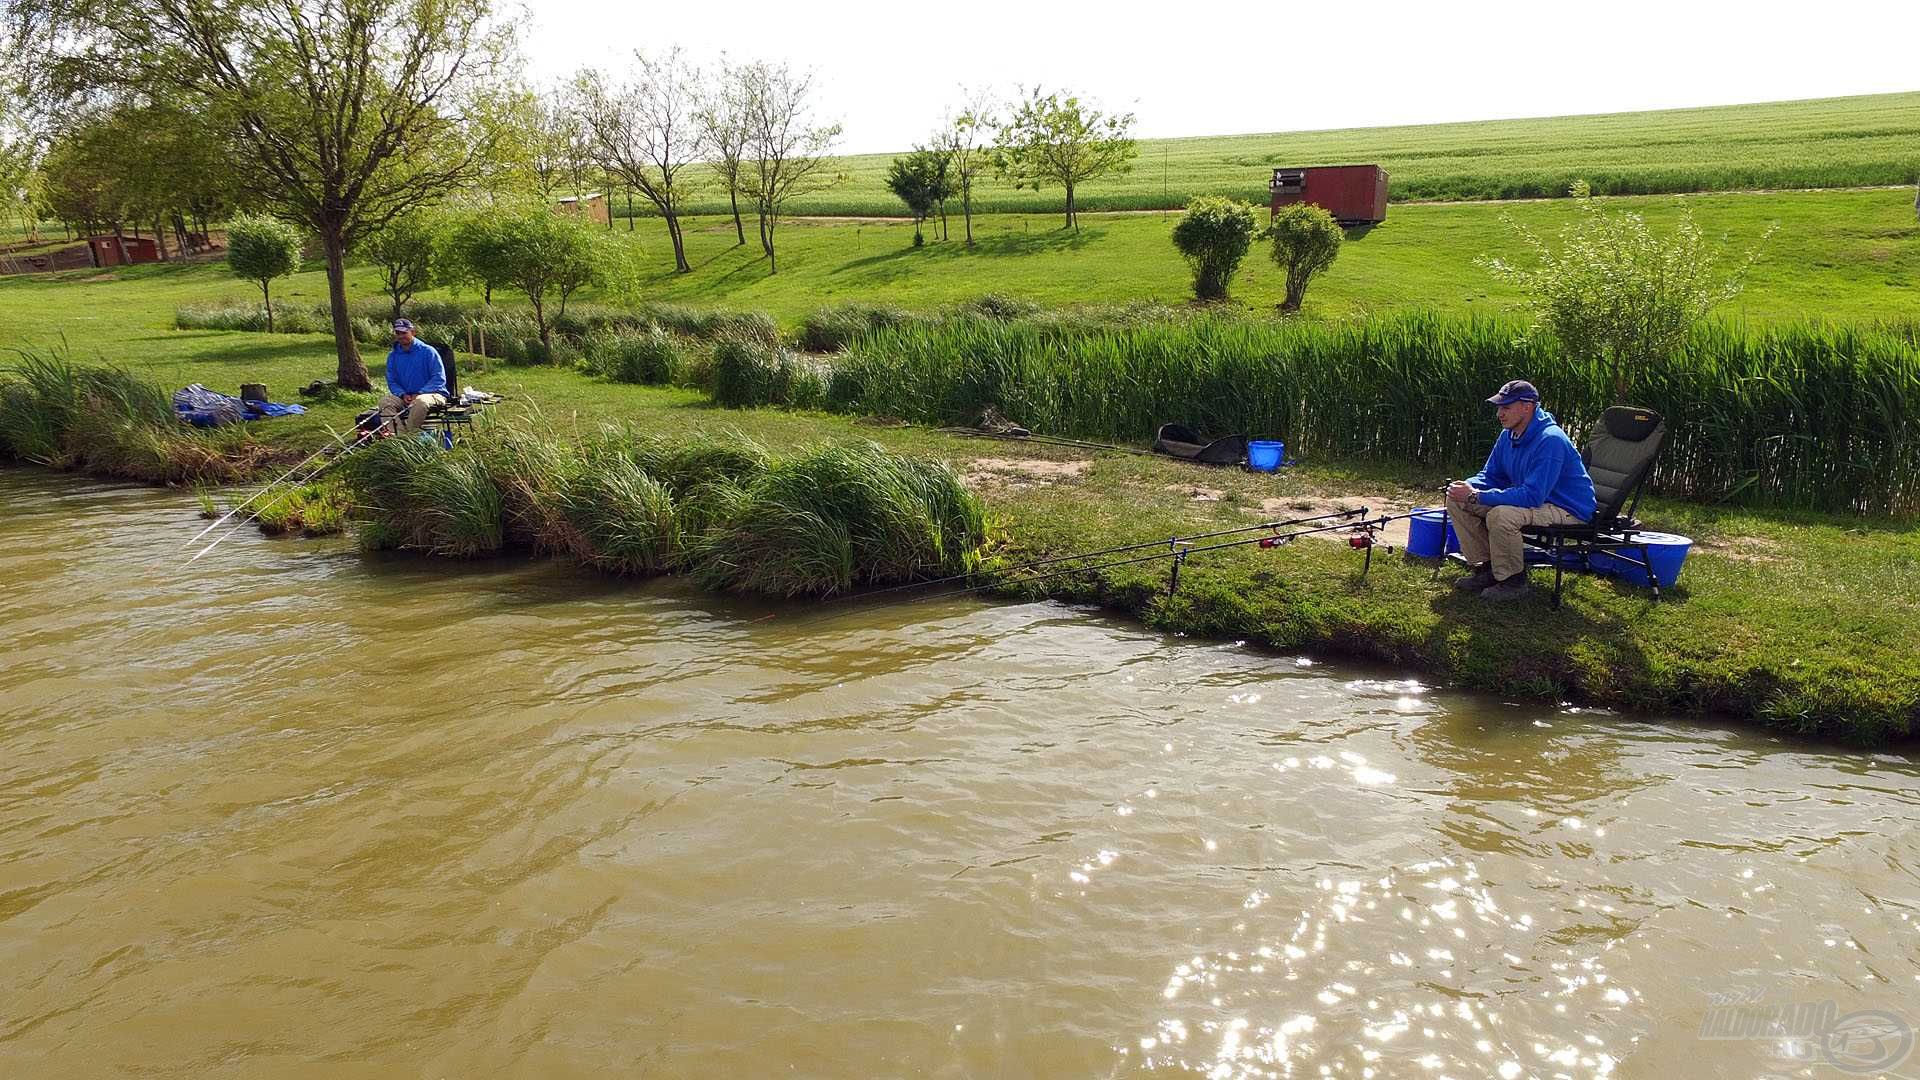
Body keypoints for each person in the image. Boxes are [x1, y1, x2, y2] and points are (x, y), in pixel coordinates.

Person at [1444, 380, 1596, 600]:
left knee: (1502, 515)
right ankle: (1487, 569)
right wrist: (1467, 486)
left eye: (1506, 407)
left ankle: (1512, 581)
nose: (1499, 413)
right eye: (1499, 407)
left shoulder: (1550, 440)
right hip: (1537, 499)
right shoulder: (1508, 434)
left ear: (1528, 406)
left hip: (1566, 508)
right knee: (1457, 501)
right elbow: (1491, 476)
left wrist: (1477, 496)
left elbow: (1532, 496)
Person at [379, 318, 447, 436]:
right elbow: (392, 381)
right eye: (398, 333)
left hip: (433, 394)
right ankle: (398, 437)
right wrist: (402, 394)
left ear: (413, 332)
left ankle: (410, 437)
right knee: (385, 402)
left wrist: (420, 393)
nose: (401, 336)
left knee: (420, 401)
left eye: (404, 333)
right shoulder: (393, 356)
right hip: (406, 396)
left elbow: (439, 378)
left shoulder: (428, 351)